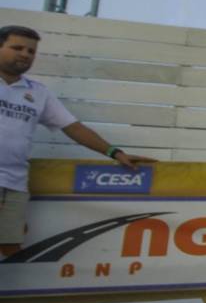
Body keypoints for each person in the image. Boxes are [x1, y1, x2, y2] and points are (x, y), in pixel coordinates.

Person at [1, 25, 154, 257]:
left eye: (31, 51)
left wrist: (115, 152)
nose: (25, 54)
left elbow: (73, 127)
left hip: (13, 185)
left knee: (10, 250)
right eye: (17, 48)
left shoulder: (38, 92)